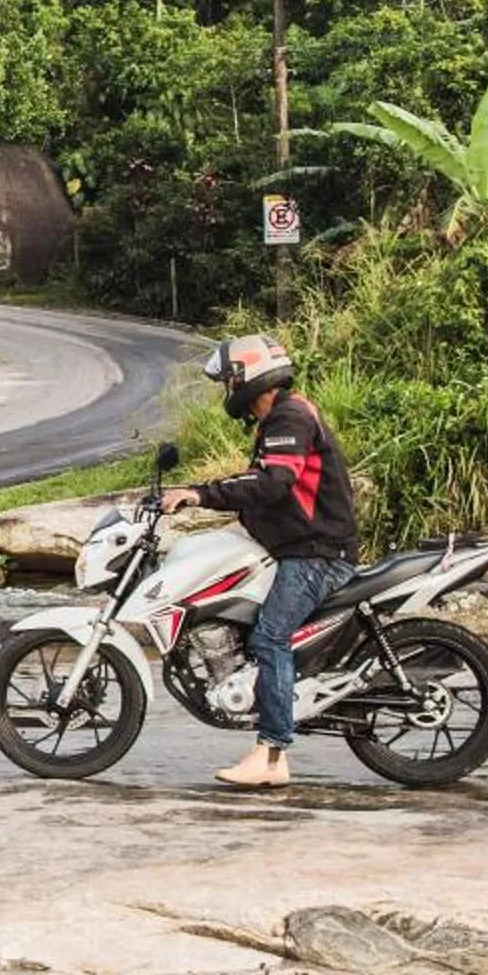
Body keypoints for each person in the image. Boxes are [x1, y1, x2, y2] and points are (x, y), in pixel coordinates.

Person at [157, 333, 356, 789]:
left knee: (270, 638)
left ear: (250, 378)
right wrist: (202, 493)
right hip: (300, 548)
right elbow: (260, 482)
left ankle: (271, 756)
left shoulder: (289, 416)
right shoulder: (278, 420)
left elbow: (273, 483)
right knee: (257, 630)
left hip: (317, 553)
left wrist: (200, 494)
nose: (228, 392)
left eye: (230, 381)